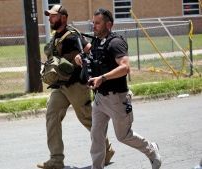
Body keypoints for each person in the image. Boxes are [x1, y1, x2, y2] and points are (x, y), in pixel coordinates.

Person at [75, 8, 162, 169]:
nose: (94, 26)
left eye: (97, 23)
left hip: (117, 99)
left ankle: (152, 150)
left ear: (109, 24)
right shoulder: (96, 41)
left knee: (123, 136)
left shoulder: (115, 43)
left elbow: (125, 67)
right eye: (93, 23)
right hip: (100, 98)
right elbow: (88, 54)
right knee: (96, 135)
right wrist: (80, 58)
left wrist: (103, 78)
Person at [37, 5, 115, 169]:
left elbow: (90, 50)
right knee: (52, 115)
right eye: (49, 16)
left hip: (76, 86)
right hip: (60, 87)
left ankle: (106, 150)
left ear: (63, 18)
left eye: (53, 16)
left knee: (87, 119)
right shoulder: (56, 36)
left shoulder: (72, 36)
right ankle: (56, 160)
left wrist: (82, 56)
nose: (50, 19)